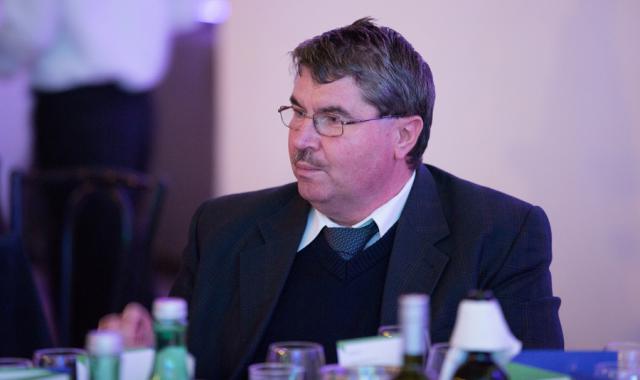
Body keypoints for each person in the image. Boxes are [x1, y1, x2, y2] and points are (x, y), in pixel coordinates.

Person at [100, 18, 564, 379]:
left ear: (404, 134)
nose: (302, 138)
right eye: (298, 112)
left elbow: (538, 375)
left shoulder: (497, 235)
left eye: (333, 119)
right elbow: (188, 365)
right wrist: (147, 360)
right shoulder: (222, 228)